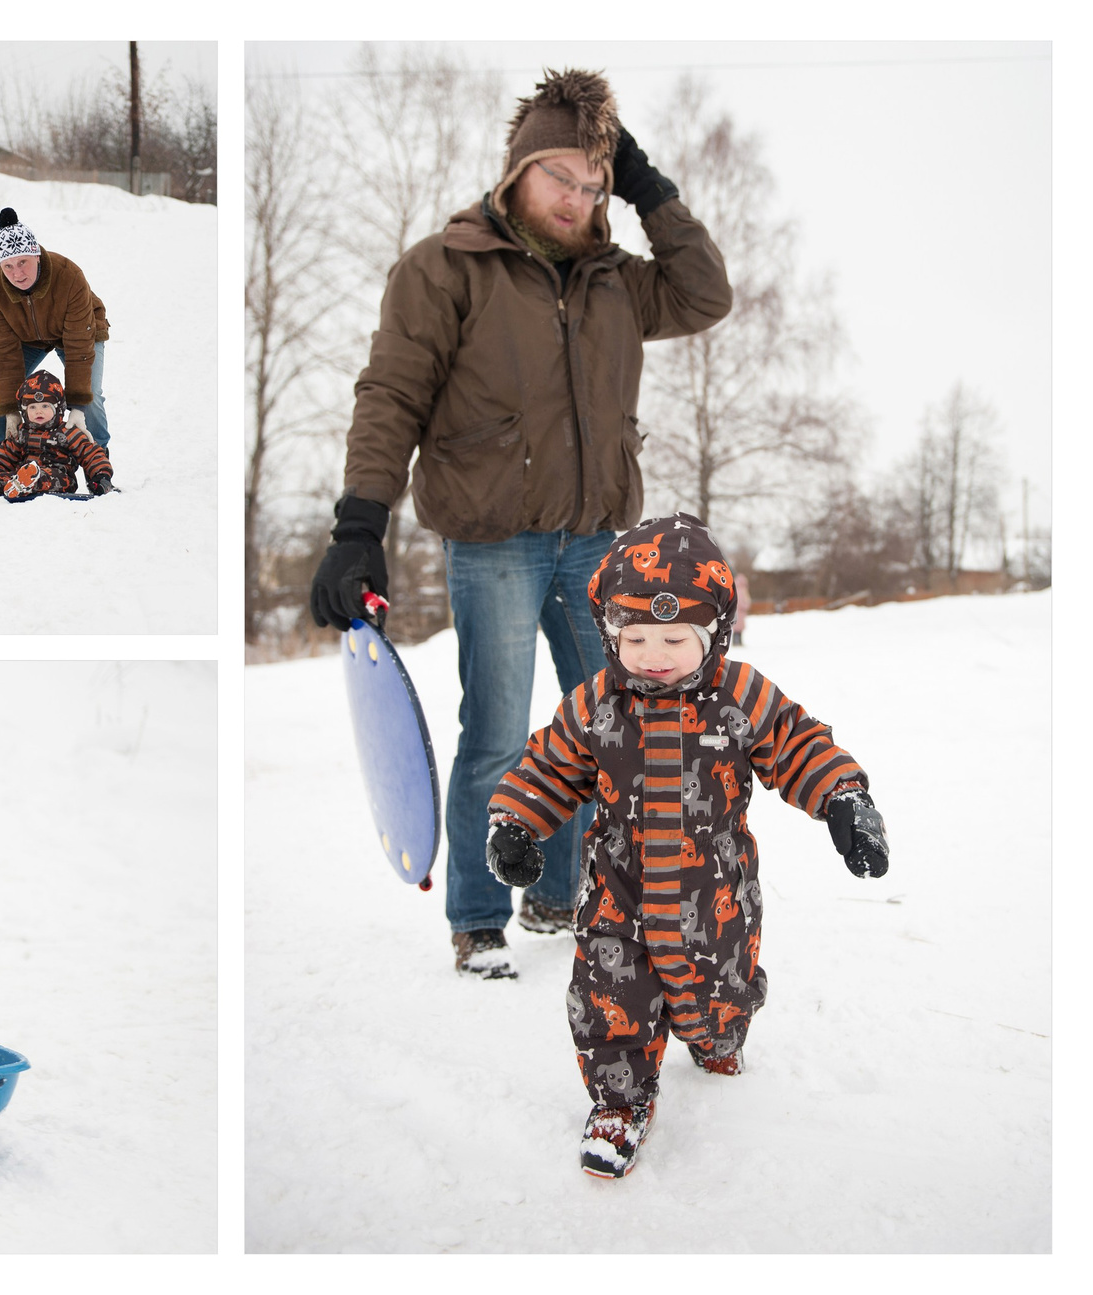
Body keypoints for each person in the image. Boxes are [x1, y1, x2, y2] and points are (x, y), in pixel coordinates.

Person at [308, 69, 734, 978]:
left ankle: (557, 891)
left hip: (597, 543)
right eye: (561, 180)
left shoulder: (619, 281)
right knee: (498, 733)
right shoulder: (443, 268)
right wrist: (359, 524)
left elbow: (706, 295)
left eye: (595, 186)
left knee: (600, 725)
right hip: (495, 540)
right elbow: (390, 396)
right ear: (516, 171)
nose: (578, 202)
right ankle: (476, 913)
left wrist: (649, 188)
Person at [484, 515, 887, 1178]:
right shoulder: (597, 702)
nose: (654, 652)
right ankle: (618, 1102)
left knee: (718, 993)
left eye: (675, 636)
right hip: (621, 889)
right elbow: (548, 767)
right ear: (610, 632)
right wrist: (516, 823)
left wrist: (843, 798)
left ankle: (718, 1036)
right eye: (635, 636)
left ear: (714, 632)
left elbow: (797, 742)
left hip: (714, 890)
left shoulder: (741, 694)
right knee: (610, 993)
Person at [0, 207, 110, 468]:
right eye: (8, 266)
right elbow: (3, 352)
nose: (17, 273)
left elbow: (79, 346)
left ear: (35, 254)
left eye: (22, 262)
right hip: (26, 338)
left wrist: (78, 407)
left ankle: (99, 463)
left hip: (78, 332)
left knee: (89, 393)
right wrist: (11, 411)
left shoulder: (68, 275)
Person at [0, 371, 115, 499]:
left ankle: (25, 483)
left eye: (45, 406)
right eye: (32, 407)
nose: (38, 411)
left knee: (44, 476)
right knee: (7, 477)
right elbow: (4, 457)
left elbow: (91, 454)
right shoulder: (21, 432)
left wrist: (101, 477)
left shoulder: (68, 432)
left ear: (58, 408)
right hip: (20, 476)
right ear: (25, 410)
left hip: (59, 478)